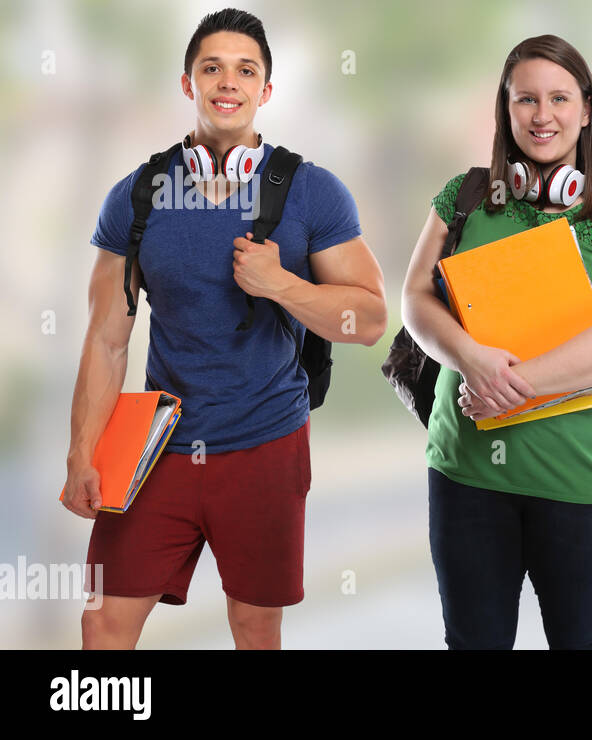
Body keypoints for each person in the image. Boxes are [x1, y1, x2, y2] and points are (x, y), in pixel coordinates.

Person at [62, 8, 387, 649]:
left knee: (255, 628)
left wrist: (282, 285)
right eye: (212, 68)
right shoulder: (136, 197)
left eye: (246, 70)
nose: (228, 82)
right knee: (103, 620)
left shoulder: (311, 191)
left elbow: (369, 319)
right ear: (189, 83)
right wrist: (80, 454)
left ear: (266, 89)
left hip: (266, 439)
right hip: (159, 446)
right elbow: (106, 338)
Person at [400, 35, 592, 650]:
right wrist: (470, 359)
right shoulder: (463, 196)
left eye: (560, 98)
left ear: (586, 110)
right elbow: (414, 300)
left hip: (578, 479)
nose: (543, 116)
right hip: (466, 476)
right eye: (526, 100)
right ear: (505, 109)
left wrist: (508, 388)